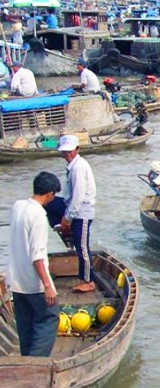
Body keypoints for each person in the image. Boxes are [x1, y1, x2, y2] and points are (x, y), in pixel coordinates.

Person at [7, 172, 62, 357]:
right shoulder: (39, 215)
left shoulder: (18, 206)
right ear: (50, 194)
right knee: (50, 316)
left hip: (16, 280)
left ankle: (25, 363)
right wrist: (47, 285)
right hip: (33, 283)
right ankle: (36, 364)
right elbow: (37, 256)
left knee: (25, 325)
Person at [55, 135, 98, 293]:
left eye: (70, 151)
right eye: (65, 152)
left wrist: (68, 218)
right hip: (73, 209)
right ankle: (66, 235)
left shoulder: (78, 167)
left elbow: (78, 197)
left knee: (82, 248)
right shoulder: (72, 166)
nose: (67, 154)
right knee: (50, 203)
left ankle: (88, 280)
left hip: (82, 213)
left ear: (77, 150)